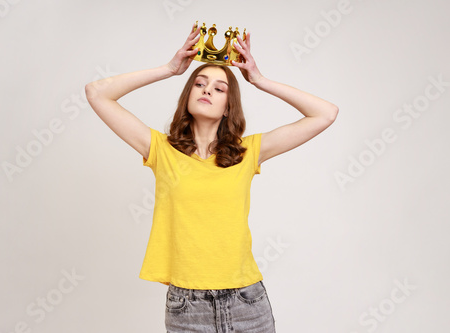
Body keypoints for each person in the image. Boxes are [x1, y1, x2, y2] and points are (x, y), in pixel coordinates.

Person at [85, 22, 338, 333]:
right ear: (187, 94)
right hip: (187, 307)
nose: (207, 90)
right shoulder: (162, 150)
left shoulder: (248, 152)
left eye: (219, 88)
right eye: (199, 84)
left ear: (228, 107)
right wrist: (170, 69)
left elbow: (325, 113)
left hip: (247, 302)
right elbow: (97, 93)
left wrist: (258, 79)